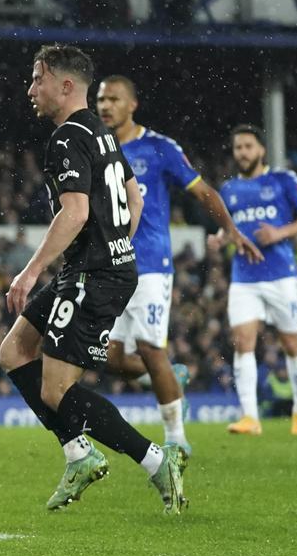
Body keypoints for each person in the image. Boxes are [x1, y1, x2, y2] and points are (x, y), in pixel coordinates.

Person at [0, 44, 186, 515]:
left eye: (37, 78)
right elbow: (135, 199)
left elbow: (76, 212)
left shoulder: (67, 138)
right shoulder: (101, 132)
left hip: (91, 274)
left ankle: (154, 459)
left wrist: (29, 270)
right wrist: (118, 248)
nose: (30, 89)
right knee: (15, 351)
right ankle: (78, 454)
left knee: (55, 391)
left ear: (64, 85)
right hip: (99, 268)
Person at [96, 75, 262, 458]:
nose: (105, 106)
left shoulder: (158, 148)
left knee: (152, 350)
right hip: (109, 265)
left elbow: (202, 191)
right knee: (108, 358)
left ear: (132, 104)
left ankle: (176, 437)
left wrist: (230, 229)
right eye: (101, 99)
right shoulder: (94, 146)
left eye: (114, 99)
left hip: (150, 264)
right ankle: (174, 377)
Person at [209, 124, 297, 436]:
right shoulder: (228, 191)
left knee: (292, 342)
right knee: (243, 342)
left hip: (281, 276)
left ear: (261, 150)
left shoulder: (284, 180)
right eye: (238, 147)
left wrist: (278, 233)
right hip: (243, 278)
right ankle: (250, 417)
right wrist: (220, 239)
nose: (242, 152)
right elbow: (230, 229)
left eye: (248, 146)